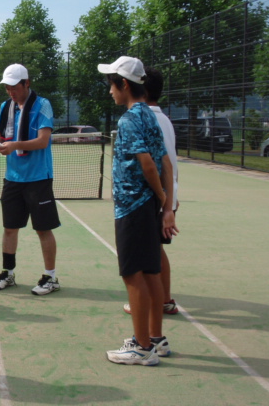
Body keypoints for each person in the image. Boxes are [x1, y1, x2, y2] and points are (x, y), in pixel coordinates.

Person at [97, 56, 178, 366]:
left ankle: (141, 347)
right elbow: (166, 163)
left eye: (112, 86)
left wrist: (161, 198)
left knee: (133, 274)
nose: (110, 92)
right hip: (147, 207)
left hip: (133, 208)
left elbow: (148, 163)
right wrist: (165, 205)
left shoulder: (130, 119)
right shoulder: (149, 116)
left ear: (125, 85)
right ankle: (156, 339)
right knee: (152, 271)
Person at [0, 63, 61, 296]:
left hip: (38, 178)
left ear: (27, 83)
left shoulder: (42, 105)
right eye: (7, 88)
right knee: (10, 228)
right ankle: (8, 272)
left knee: (43, 229)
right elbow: (2, 136)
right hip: (13, 178)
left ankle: (51, 277)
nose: (10, 92)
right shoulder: (5, 106)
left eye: (14, 87)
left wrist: (15, 144)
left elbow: (42, 141)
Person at [123, 67, 179, 316]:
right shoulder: (162, 118)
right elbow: (168, 163)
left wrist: (164, 201)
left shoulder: (144, 119)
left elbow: (155, 164)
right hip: (164, 196)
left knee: (148, 260)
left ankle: (156, 314)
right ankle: (163, 302)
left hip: (151, 198)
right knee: (156, 251)